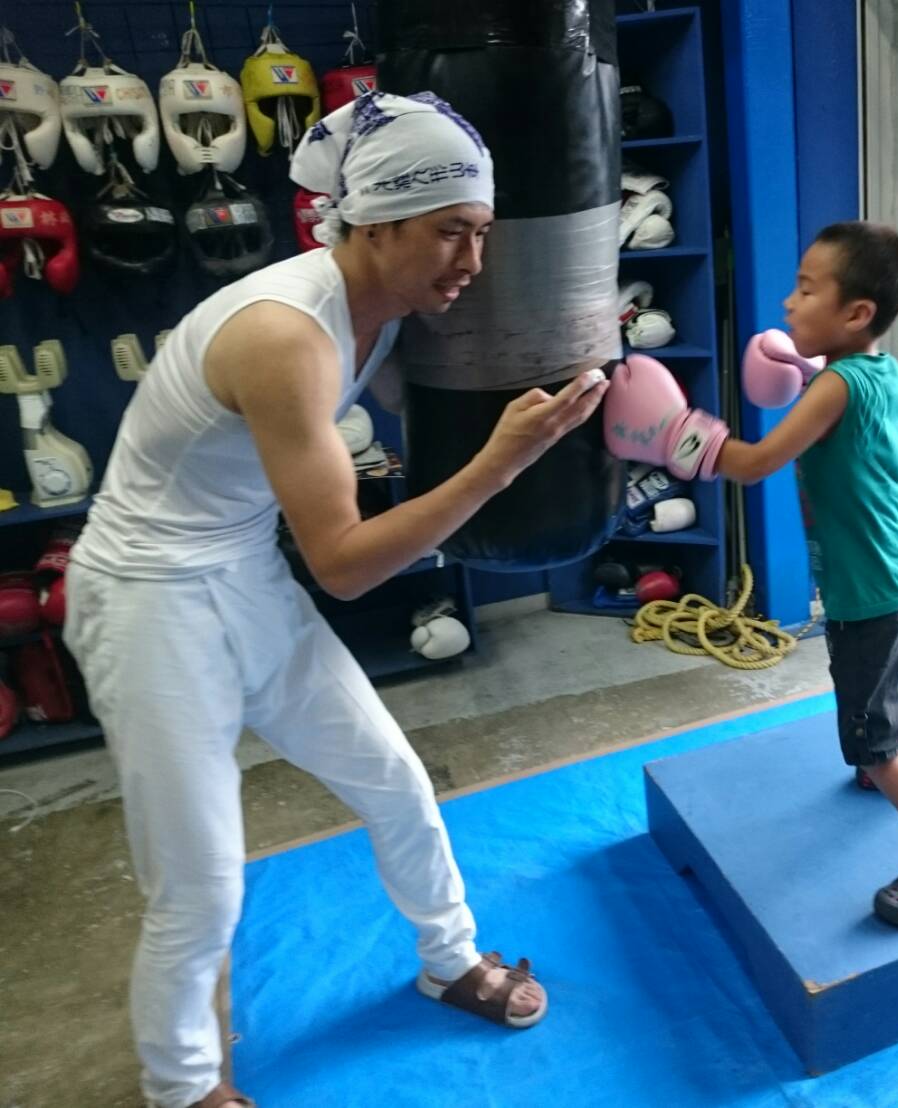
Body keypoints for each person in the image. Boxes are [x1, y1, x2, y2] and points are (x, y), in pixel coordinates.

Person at [64, 92, 608, 1108]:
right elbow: (347, 565)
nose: (472, 260)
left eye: (482, 232)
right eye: (450, 232)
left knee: (395, 780)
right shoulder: (284, 334)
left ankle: (449, 960)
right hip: (147, 600)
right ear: (376, 223)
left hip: (242, 572)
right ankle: (182, 1089)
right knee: (199, 882)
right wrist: (503, 462)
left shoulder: (388, 310)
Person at [603, 221, 898, 927]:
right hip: (892, 560)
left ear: (856, 313)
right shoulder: (878, 370)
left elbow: (753, 465)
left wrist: (676, 431)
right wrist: (806, 374)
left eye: (806, 289)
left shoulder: (834, 387)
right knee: (886, 674)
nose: (787, 302)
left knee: (871, 738)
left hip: (867, 581)